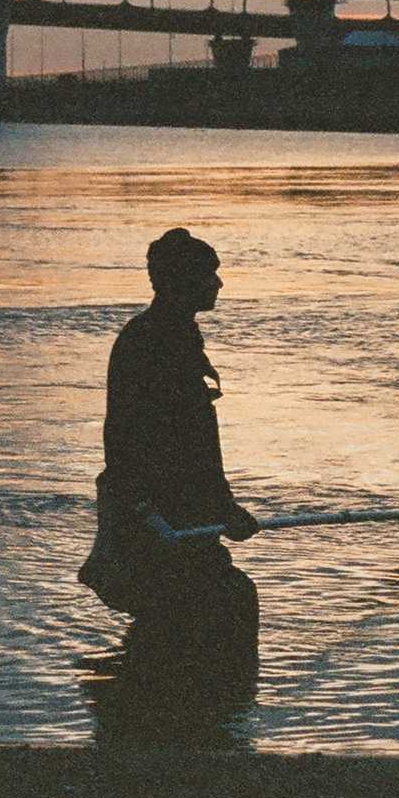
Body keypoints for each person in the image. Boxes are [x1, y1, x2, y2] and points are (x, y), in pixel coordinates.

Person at [78, 228, 261, 638]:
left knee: (201, 608)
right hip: (162, 512)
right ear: (186, 282)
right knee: (220, 605)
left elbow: (192, 440)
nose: (219, 283)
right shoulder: (153, 341)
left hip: (177, 508)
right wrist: (147, 506)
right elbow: (144, 437)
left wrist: (222, 507)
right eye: (210, 275)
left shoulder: (168, 334)